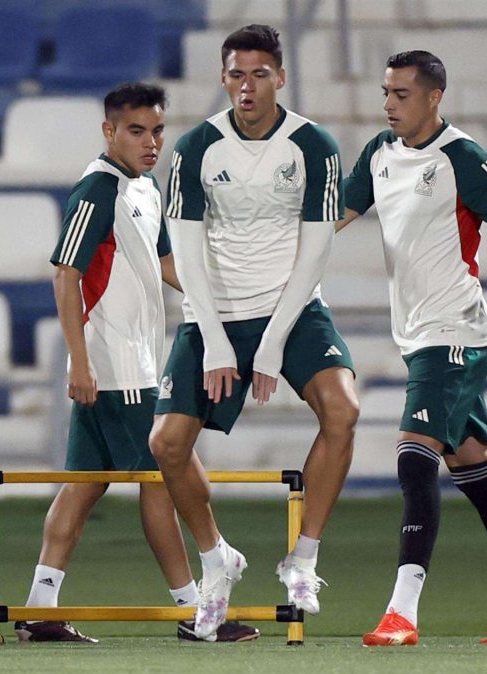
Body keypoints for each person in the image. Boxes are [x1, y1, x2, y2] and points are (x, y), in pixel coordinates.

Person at [338, 51, 487, 646]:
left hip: (457, 331)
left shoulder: (462, 158)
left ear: (434, 97)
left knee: (415, 456)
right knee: (474, 469)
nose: (389, 103)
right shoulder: (378, 156)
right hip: (418, 334)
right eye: (386, 92)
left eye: (402, 94)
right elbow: (333, 217)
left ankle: (402, 613)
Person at [16, 82, 258, 644]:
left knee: (83, 485)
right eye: (136, 131)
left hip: (132, 360)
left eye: (156, 131)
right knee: (160, 479)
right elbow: (64, 273)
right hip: (117, 364)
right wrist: (78, 362)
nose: (150, 142)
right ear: (109, 132)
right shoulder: (99, 189)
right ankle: (194, 610)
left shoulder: (143, 188)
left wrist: (220, 301)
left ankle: (37, 608)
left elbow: (168, 261)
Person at [152, 24, 359, 640]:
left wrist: (272, 345)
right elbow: (185, 256)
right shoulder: (195, 149)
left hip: (291, 310)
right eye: (236, 75)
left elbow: (317, 249)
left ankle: (303, 559)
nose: (247, 86)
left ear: (281, 77)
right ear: (224, 79)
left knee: (343, 410)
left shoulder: (313, 145)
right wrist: (216, 341)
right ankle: (219, 559)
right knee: (166, 445)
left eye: (259, 74)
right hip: (215, 309)